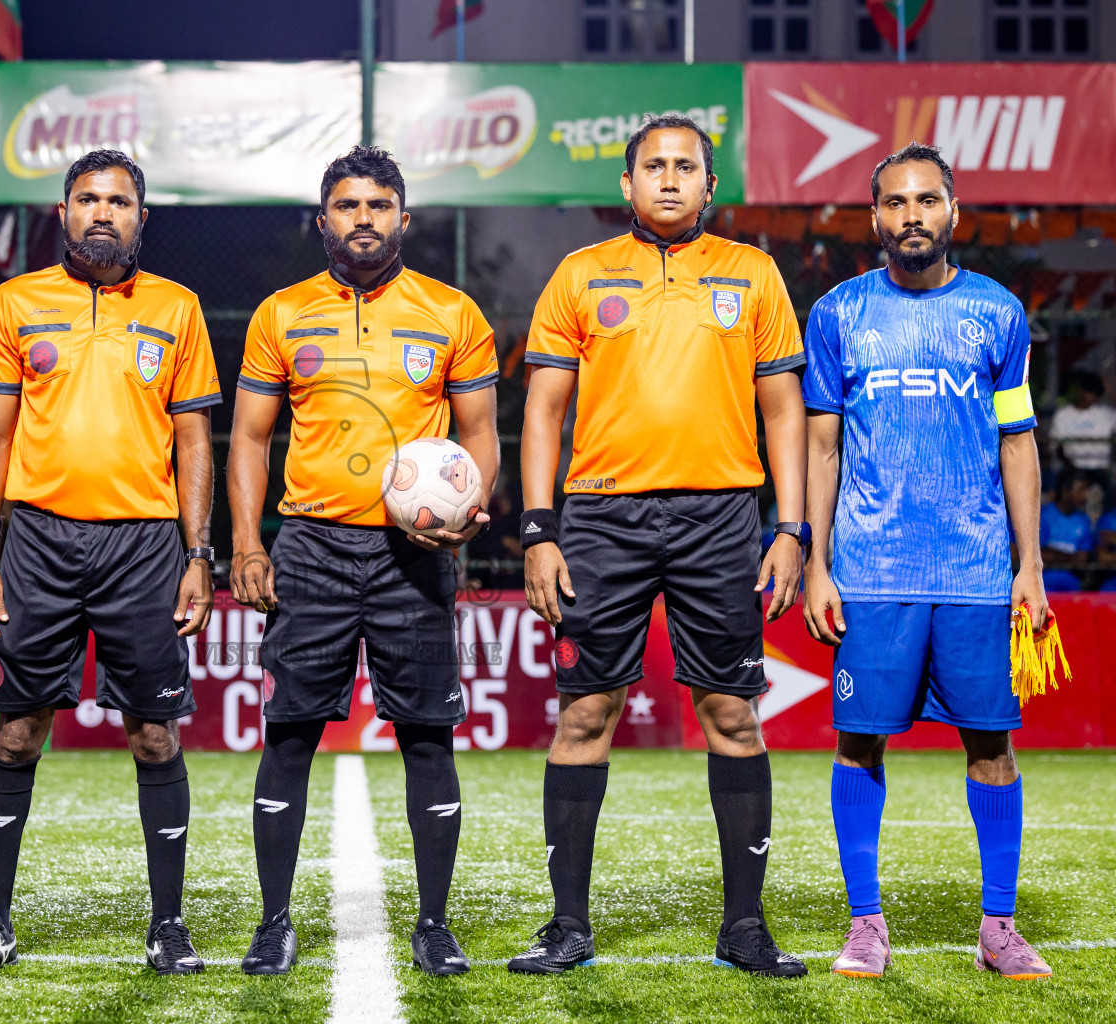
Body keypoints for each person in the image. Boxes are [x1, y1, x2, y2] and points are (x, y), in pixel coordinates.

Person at [512, 114, 808, 977]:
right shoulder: (581, 274)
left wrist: (790, 528)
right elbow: (543, 411)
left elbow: (784, 409)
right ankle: (568, 926)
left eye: (687, 167)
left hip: (721, 517)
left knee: (731, 714)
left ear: (712, 187)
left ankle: (744, 928)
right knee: (584, 714)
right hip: (601, 516)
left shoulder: (752, 275)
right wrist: (539, 530)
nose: (671, 178)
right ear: (628, 185)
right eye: (655, 166)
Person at [0, 149, 221, 977]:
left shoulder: (177, 309)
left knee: (153, 734)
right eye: (87, 199)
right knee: (19, 733)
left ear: (143, 217)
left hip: (143, 545)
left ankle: (168, 927)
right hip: (35, 540)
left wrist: (198, 553)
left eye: (119, 201)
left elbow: (194, 441)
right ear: (62, 213)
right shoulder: (16, 303)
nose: (103, 212)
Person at [229, 146, 499, 977]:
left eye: (379, 205)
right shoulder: (282, 313)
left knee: (426, 734)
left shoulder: (452, 312)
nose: (364, 219)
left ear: (403, 219)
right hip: (310, 544)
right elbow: (247, 436)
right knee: (291, 733)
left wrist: (472, 506)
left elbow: (480, 432)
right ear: (324, 221)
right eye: (347, 206)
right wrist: (246, 543)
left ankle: (433, 923)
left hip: (412, 555)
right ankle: (274, 921)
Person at [803, 142, 1053, 981]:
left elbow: (1019, 443)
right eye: (895, 202)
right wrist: (815, 560)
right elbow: (823, 445)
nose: (911, 215)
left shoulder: (999, 314)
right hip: (871, 573)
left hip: (979, 573)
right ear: (874, 218)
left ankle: (999, 927)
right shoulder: (838, 313)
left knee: (993, 746)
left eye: (926, 200)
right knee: (858, 743)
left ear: (953, 210)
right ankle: (866, 924)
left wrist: (1031, 565)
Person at [1048, 372, 1114, 482]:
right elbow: (1056, 447)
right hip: (1070, 469)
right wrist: (1074, 469)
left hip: (1100, 469)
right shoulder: (1062, 415)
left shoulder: (1106, 414)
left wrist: (1109, 391)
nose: (1088, 396)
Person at [1039, 471, 1093, 593]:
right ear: (1065, 491)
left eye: (1086, 490)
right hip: (1043, 585)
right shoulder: (1043, 515)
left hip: (1072, 586)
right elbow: (1040, 554)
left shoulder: (1083, 520)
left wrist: (1054, 555)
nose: (1085, 495)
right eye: (1080, 490)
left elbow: (1082, 559)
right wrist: (1071, 558)